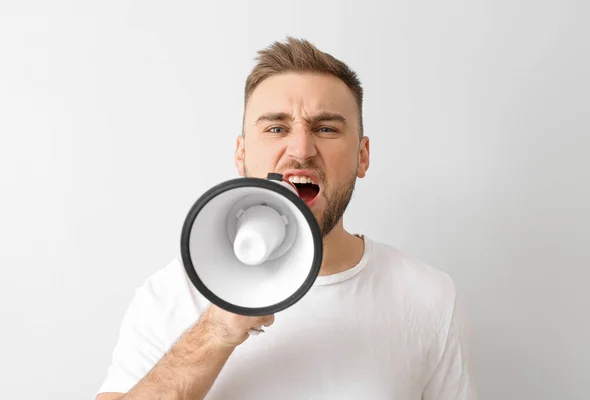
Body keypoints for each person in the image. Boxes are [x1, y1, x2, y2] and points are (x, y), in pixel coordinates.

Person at [96, 37, 478, 400]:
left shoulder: (429, 298)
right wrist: (215, 332)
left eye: (326, 128)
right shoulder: (171, 294)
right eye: (276, 128)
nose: (300, 149)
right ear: (241, 154)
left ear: (362, 156)